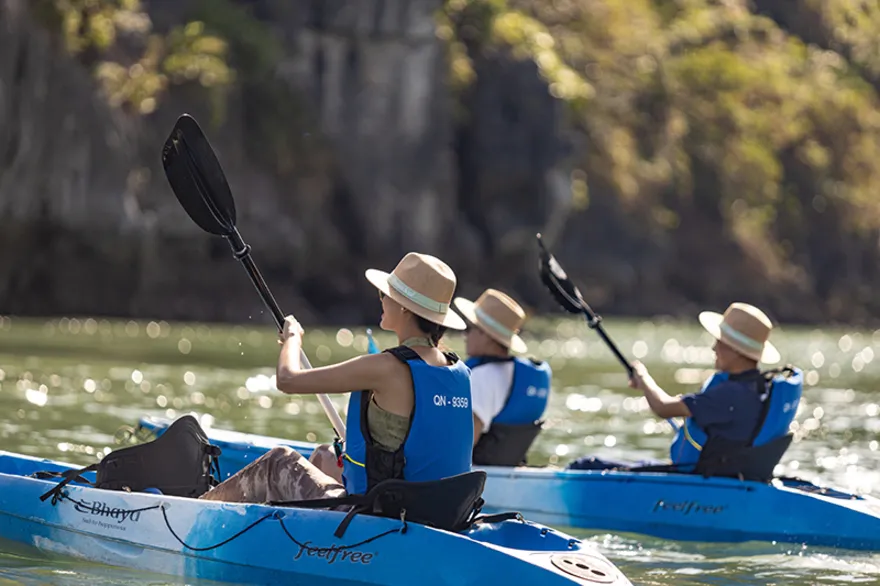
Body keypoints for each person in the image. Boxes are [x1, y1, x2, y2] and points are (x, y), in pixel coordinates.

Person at [199, 252, 472, 503]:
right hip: (431, 509)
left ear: (404, 308)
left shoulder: (386, 368)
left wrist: (292, 338)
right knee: (324, 456)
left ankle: (196, 508)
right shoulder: (459, 372)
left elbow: (288, 379)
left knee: (277, 462)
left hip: (381, 514)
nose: (381, 299)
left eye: (385, 294)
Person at [567, 302, 803, 473]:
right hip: (723, 474)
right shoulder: (758, 388)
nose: (713, 348)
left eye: (720, 342)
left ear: (736, 350)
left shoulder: (730, 394)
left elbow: (663, 407)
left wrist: (643, 377)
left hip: (700, 481)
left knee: (585, 465)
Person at [452, 289, 551, 467]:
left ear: (487, 335)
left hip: (481, 471)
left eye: (469, 328)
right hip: (508, 468)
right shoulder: (513, 371)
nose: (464, 336)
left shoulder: (482, 377)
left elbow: (462, 445)